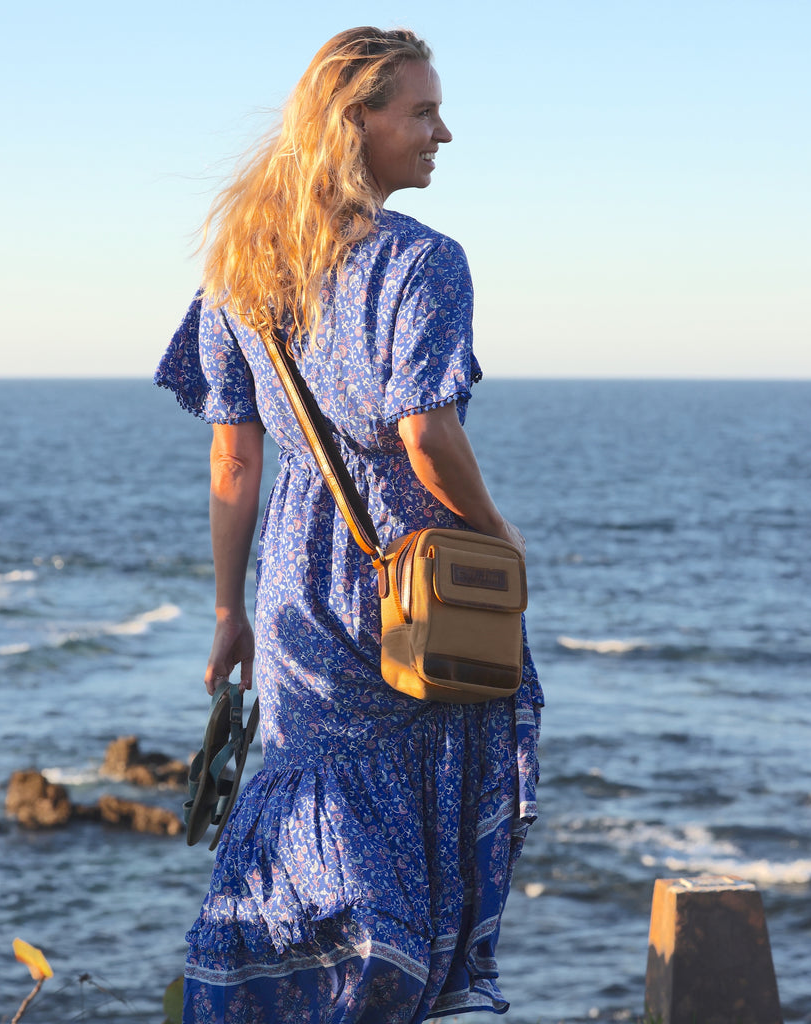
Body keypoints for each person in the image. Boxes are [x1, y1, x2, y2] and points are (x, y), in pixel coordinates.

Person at [155, 26, 542, 1023]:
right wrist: (498, 537)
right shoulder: (424, 262)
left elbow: (234, 458)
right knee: (427, 805)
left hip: (295, 575)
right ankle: (407, 997)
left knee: (306, 806)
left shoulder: (239, 260)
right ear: (351, 123)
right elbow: (424, 433)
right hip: (416, 576)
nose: (442, 132)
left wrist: (227, 608)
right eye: (419, 112)